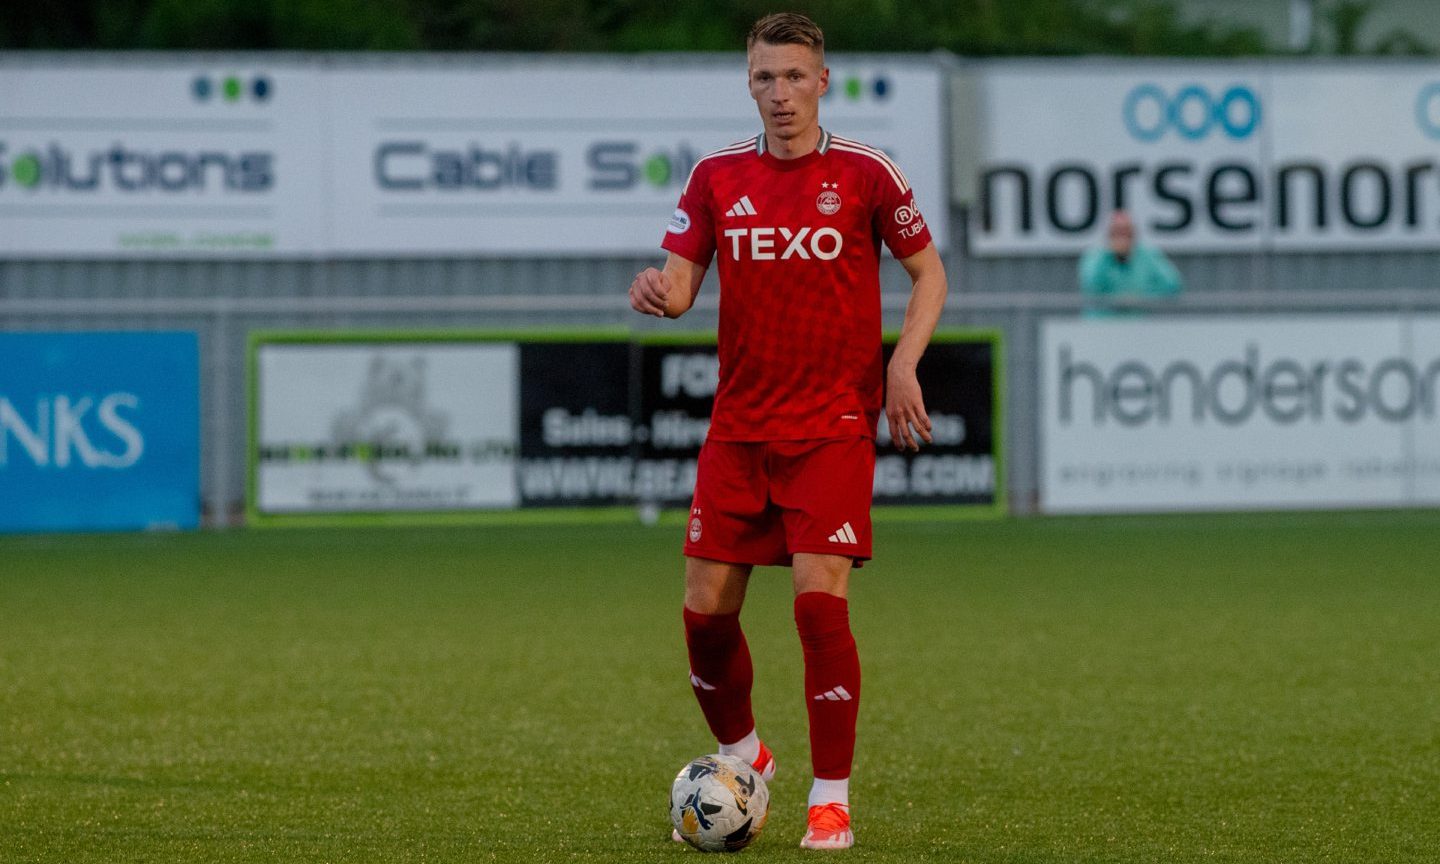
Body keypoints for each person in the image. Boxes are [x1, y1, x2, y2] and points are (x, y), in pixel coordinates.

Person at [628, 11, 948, 851]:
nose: (780, 94)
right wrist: (659, 293)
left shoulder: (867, 173)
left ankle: (830, 796)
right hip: (738, 430)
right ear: (750, 83)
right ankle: (744, 756)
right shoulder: (714, 177)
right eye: (765, 78)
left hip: (832, 427)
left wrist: (903, 364)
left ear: (822, 81)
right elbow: (683, 286)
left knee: (818, 603)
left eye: (794, 77)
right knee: (704, 614)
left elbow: (929, 274)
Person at [1078, 210, 1182, 317]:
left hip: (1137, 325)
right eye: (1117, 231)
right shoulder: (1095, 256)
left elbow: (1172, 285)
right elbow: (1091, 285)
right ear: (1109, 233)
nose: (1122, 237)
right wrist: (1108, 254)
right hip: (1101, 325)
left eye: (1126, 231)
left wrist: (1142, 298)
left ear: (1134, 233)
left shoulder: (1147, 255)